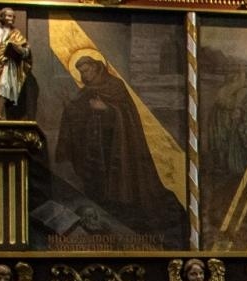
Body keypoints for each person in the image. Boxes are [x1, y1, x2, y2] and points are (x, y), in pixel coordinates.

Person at [57, 51, 183, 236]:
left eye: (87, 70)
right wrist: (69, 107)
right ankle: (103, 209)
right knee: (98, 181)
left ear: (96, 67)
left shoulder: (115, 86)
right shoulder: (87, 91)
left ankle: (120, 209)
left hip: (116, 145)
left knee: (117, 177)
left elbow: (126, 113)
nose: (85, 75)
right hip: (95, 148)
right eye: (82, 72)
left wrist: (106, 108)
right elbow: (78, 111)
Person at [0, 8, 31, 121]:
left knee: (4, 83)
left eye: (13, 16)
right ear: (2, 17)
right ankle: (1, 113)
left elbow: (26, 50)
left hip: (9, 62)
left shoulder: (17, 34)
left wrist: (18, 49)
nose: (11, 18)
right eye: (9, 16)